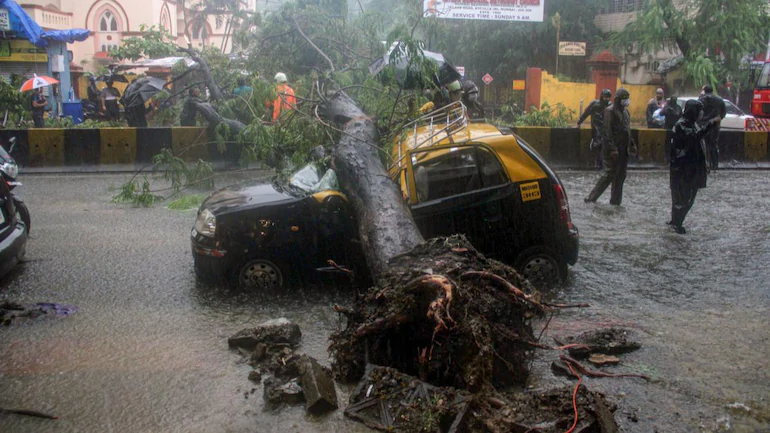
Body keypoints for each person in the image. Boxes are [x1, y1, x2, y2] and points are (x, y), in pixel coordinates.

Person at [668, 99, 719, 234]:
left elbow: (700, 144)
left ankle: (675, 222)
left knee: (686, 198)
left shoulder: (692, 124)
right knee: (684, 198)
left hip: (691, 168)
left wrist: (706, 163)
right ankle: (676, 223)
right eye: (699, 110)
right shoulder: (682, 125)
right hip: (683, 168)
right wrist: (710, 125)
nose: (701, 113)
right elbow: (693, 139)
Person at [585, 87, 637, 205]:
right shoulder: (610, 111)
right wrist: (613, 149)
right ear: (618, 99)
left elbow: (627, 130)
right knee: (609, 174)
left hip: (624, 149)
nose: (627, 101)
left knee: (621, 176)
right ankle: (591, 198)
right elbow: (607, 132)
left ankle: (615, 201)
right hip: (612, 149)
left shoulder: (625, 112)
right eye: (624, 98)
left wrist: (632, 144)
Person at [577, 88, 612, 170]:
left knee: (604, 146)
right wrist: (579, 122)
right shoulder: (594, 104)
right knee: (598, 145)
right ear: (601, 97)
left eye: (608, 97)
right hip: (596, 129)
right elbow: (586, 113)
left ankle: (601, 165)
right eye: (605, 97)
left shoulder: (610, 106)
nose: (606, 99)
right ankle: (597, 164)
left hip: (606, 129)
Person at [699, 85, 727, 171]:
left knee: (703, 145)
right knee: (713, 145)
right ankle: (715, 165)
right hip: (715, 124)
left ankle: (705, 164)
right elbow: (723, 112)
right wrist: (718, 119)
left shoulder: (701, 99)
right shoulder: (719, 100)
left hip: (703, 125)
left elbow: (696, 111)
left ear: (705, 91)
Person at [660, 95, 682, 163]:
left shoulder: (678, 107)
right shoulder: (667, 107)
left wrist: (673, 112)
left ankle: (674, 157)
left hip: (676, 127)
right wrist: (667, 110)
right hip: (668, 127)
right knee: (667, 143)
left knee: (676, 143)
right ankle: (667, 157)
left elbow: (679, 115)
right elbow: (661, 113)